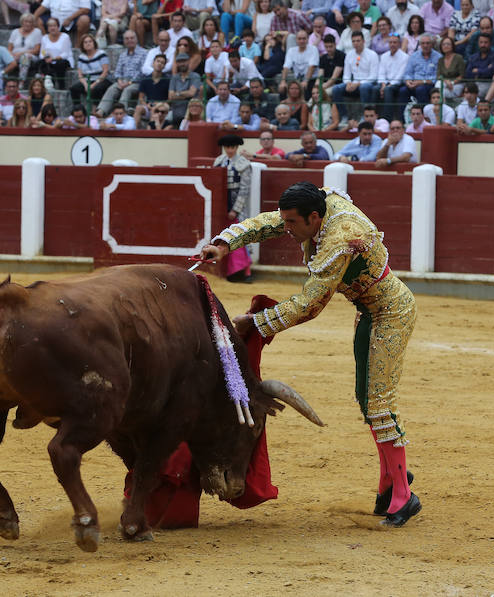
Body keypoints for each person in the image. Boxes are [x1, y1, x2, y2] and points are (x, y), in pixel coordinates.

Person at [199, 181, 422, 528]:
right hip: (368, 311)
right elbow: (269, 222)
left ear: (314, 218)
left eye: (292, 223)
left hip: (391, 312)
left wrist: (255, 323)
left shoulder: (340, 239)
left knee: (380, 403)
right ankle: (391, 481)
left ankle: (404, 497)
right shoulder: (315, 209)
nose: (286, 229)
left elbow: (308, 306)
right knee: (366, 399)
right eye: (286, 222)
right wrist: (224, 244)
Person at [212, 134, 254, 283]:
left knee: (240, 235)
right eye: (227, 147)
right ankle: (226, 271)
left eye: (232, 147)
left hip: (236, 204)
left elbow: (244, 190)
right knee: (223, 236)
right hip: (221, 204)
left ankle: (247, 272)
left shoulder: (243, 164)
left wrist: (235, 209)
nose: (229, 150)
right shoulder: (218, 162)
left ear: (237, 148)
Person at [333, 30, 379, 121]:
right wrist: (348, 83)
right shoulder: (349, 55)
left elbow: (373, 76)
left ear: (363, 41)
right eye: (353, 41)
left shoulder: (372, 55)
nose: (356, 43)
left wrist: (358, 83)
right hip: (353, 84)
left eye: (358, 41)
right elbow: (346, 75)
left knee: (364, 87)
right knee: (336, 89)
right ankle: (344, 116)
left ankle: (364, 115)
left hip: (367, 83)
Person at [98, 30, 146, 116]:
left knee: (127, 90)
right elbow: (117, 71)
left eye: (132, 38)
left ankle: (119, 113)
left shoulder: (144, 53)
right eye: (127, 39)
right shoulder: (123, 55)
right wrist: (120, 81)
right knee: (112, 89)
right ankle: (101, 111)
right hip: (123, 80)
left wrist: (128, 83)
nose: (129, 40)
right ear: (124, 41)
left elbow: (142, 72)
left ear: (136, 39)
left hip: (136, 82)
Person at [70, 35, 111, 110]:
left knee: (96, 89)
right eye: (85, 42)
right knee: (73, 89)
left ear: (94, 43)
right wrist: (86, 85)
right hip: (88, 80)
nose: (88, 44)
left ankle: (95, 110)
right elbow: (80, 74)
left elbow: (105, 71)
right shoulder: (81, 57)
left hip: (101, 80)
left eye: (90, 41)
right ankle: (77, 109)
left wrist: (94, 84)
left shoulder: (101, 54)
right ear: (82, 45)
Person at [280, 28, 318, 96]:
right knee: (282, 89)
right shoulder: (291, 50)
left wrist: (306, 81)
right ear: (296, 40)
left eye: (304, 39)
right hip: (297, 80)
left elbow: (312, 67)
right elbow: (286, 66)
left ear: (307, 39)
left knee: (305, 89)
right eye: (299, 39)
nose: (302, 41)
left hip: (311, 79)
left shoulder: (313, 49)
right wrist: (283, 81)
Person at [38, 18, 73, 89]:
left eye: (54, 26)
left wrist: (53, 58)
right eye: (50, 26)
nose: (52, 28)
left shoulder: (65, 37)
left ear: (58, 27)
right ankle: (48, 85)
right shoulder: (44, 38)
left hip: (62, 61)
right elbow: (42, 53)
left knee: (60, 63)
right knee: (41, 63)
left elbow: (65, 54)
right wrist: (46, 58)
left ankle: (61, 86)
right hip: (49, 61)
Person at [168, 51, 201, 124]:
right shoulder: (174, 77)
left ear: (189, 61)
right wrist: (185, 94)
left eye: (184, 61)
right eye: (180, 62)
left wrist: (177, 94)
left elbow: (191, 93)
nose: (182, 64)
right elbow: (170, 96)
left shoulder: (195, 76)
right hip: (176, 111)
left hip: (190, 113)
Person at [465, 31, 494, 98]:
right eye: (481, 42)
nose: (483, 45)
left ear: (490, 43)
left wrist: (477, 71)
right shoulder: (473, 57)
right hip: (473, 83)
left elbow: (491, 72)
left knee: (475, 93)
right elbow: (468, 73)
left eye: (485, 42)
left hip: (488, 83)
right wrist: (485, 69)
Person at [8, 13, 42, 83]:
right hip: (15, 55)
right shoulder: (15, 32)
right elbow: (9, 49)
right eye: (26, 21)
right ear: (22, 22)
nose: (28, 24)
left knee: (24, 57)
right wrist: (12, 55)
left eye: (30, 22)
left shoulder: (37, 32)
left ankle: (21, 81)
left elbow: (37, 50)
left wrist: (20, 54)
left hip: (31, 56)